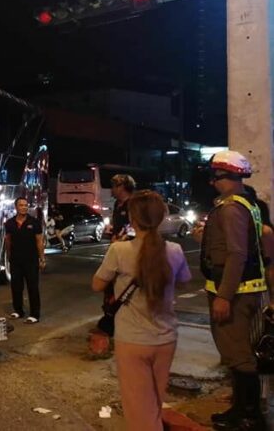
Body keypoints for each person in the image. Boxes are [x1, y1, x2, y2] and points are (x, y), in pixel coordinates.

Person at [91, 190, 192, 431]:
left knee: (139, 410)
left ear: (133, 220)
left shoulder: (120, 250)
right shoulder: (175, 250)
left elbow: (97, 285)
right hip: (166, 338)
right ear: (161, 217)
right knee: (154, 401)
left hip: (132, 340)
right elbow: (184, 280)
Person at [191, 150, 268, 430]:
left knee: (239, 355)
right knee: (235, 353)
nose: (213, 183)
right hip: (239, 290)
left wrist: (224, 297)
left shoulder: (232, 208)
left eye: (216, 177)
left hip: (236, 293)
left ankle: (249, 416)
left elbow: (236, 254)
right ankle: (239, 410)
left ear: (231, 177)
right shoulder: (244, 204)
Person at [4, 197, 46, 323]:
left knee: (33, 287)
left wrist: (42, 258)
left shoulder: (34, 222)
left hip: (31, 261)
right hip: (16, 260)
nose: (24, 207)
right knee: (16, 287)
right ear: (16, 207)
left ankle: (35, 314)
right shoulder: (10, 223)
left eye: (26, 205)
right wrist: (9, 256)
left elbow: (39, 241)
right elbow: (8, 240)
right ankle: (18, 311)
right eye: (21, 205)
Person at [109, 174, 136, 240]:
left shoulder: (133, 204)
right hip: (118, 243)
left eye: (113, 186)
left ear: (121, 187)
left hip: (129, 245)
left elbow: (135, 227)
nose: (112, 190)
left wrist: (125, 237)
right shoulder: (117, 203)